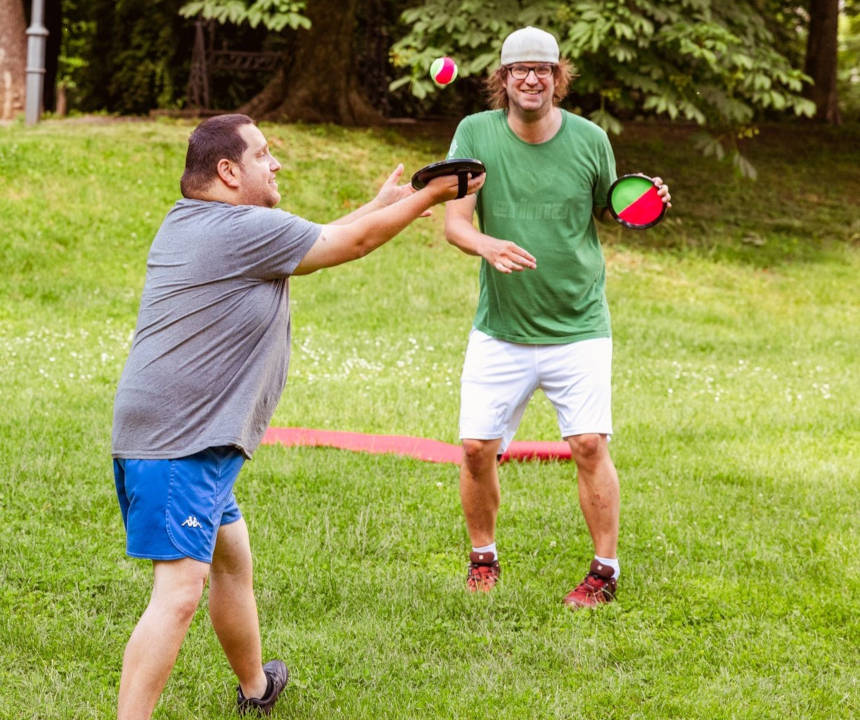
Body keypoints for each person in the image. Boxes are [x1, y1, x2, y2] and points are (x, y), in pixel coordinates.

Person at [111, 113, 484, 719]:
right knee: (179, 593)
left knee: (232, 560)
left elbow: (315, 235)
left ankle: (257, 689)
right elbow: (350, 245)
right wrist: (431, 196)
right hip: (181, 443)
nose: (275, 163)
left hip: (179, 436)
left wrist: (377, 204)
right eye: (263, 154)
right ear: (229, 171)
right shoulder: (237, 229)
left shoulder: (203, 222)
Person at [443, 27, 670, 608]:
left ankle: (604, 571)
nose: (530, 78)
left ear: (557, 77)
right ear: (503, 77)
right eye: (519, 68)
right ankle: (483, 557)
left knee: (590, 444)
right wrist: (487, 245)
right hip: (502, 326)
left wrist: (645, 201)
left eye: (542, 69)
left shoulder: (592, 140)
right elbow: (455, 224)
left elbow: (613, 207)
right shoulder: (474, 132)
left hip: (578, 322)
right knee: (475, 448)